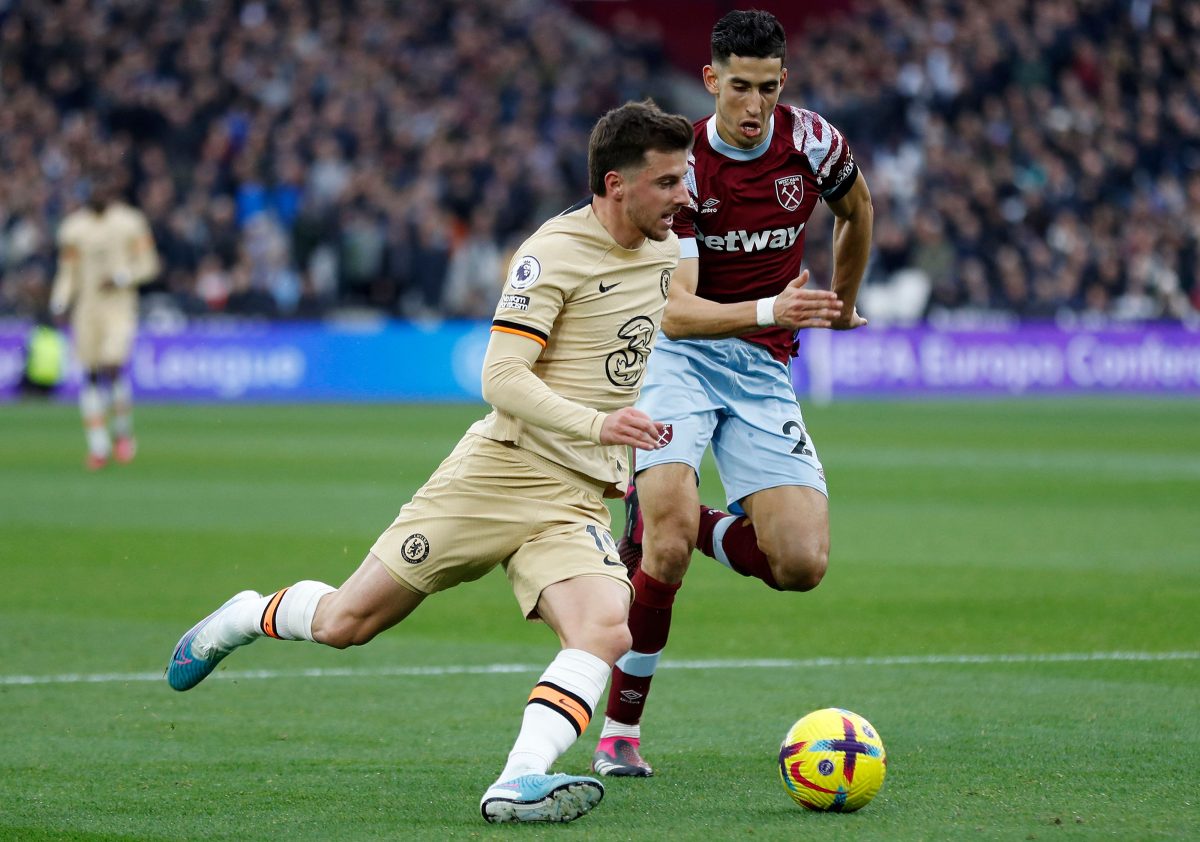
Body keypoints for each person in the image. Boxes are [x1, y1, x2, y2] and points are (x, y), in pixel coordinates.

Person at [164, 100, 694, 825]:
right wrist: (602, 422)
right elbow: (500, 377)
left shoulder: (670, 248)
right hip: (498, 472)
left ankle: (519, 779)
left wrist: (774, 310)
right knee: (349, 621)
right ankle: (245, 615)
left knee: (607, 627)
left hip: (575, 498)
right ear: (615, 184)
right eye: (667, 182)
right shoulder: (553, 252)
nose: (683, 196)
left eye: (684, 178)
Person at [591, 10, 873, 778]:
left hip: (761, 366)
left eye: (770, 88)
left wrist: (842, 302)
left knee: (801, 563)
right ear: (712, 80)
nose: (755, 106)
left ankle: (677, 515)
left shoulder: (813, 143)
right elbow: (674, 308)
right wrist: (769, 310)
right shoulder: (678, 168)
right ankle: (621, 731)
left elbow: (858, 210)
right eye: (741, 87)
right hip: (677, 355)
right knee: (668, 544)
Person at [50, 170, 161, 469]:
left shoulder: (130, 222)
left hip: (119, 307)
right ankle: (98, 445)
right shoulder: (73, 228)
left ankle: (122, 432)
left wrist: (121, 277)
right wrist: (59, 301)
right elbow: (67, 273)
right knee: (88, 373)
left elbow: (149, 265)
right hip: (86, 308)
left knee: (112, 366)